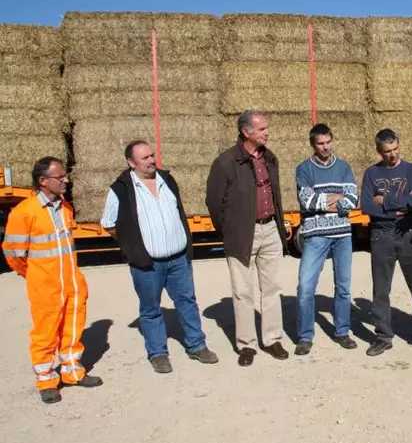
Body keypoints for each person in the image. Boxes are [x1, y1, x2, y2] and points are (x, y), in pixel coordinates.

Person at [101, 141, 218, 374]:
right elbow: (108, 223)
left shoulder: (167, 180)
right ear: (131, 163)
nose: (151, 160)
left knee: (187, 302)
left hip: (178, 259)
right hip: (147, 263)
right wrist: (131, 245)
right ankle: (158, 353)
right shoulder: (121, 189)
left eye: (152, 155)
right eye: (144, 158)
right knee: (150, 309)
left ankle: (197, 345)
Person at [2, 157, 102, 404]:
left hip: (71, 282)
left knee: (72, 327)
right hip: (44, 285)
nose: (66, 180)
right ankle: (46, 380)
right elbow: (14, 254)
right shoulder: (24, 212)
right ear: (43, 181)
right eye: (60, 177)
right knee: (45, 332)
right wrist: (35, 275)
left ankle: (71, 372)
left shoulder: (66, 208)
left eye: (65, 176)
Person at [206, 109, 289, 367]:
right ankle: (246, 345)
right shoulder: (226, 162)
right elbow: (213, 203)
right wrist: (230, 232)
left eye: (267, 127)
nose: (267, 132)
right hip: (242, 234)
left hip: (270, 230)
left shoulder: (270, 158)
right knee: (243, 292)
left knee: (272, 288)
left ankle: (272, 339)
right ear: (246, 132)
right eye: (262, 128)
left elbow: (275, 194)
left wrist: (278, 223)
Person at [360, 128, 412, 357]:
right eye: (387, 151)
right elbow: (366, 205)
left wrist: (383, 200)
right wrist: (397, 208)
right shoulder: (372, 173)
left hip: (409, 233)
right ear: (379, 151)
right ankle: (383, 336)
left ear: (399, 146)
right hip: (381, 235)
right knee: (381, 290)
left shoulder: (411, 169)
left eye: (395, 149)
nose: (392, 155)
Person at [294, 123, 358, 356]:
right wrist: (335, 199)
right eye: (320, 144)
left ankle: (342, 331)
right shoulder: (303, 169)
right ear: (313, 145)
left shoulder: (343, 167)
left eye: (328, 142)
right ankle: (305, 336)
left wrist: (327, 200)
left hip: (342, 235)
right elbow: (306, 202)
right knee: (305, 287)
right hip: (315, 236)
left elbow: (352, 199)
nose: (325, 147)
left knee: (343, 287)